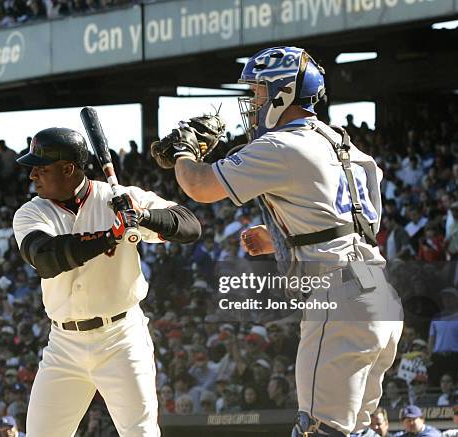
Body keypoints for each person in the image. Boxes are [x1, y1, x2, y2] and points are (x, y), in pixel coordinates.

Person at [151, 46, 403, 436]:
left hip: (339, 298)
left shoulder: (283, 144)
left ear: (283, 92)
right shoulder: (342, 142)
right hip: (378, 294)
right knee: (362, 430)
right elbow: (353, 221)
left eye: (258, 92)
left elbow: (199, 186)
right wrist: (281, 238)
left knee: (317, 429)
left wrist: (184, 151)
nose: (252, 102)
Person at [12, 127, 201, 437]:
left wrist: (143, 217)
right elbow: (45, 258)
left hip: (121, 338)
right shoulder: (32, 211)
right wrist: (111, 235)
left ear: (68, 168)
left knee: (140, 433)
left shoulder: (120, 197)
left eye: (41, 168)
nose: (33, 175)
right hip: (64, 345)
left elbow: (190, 226)